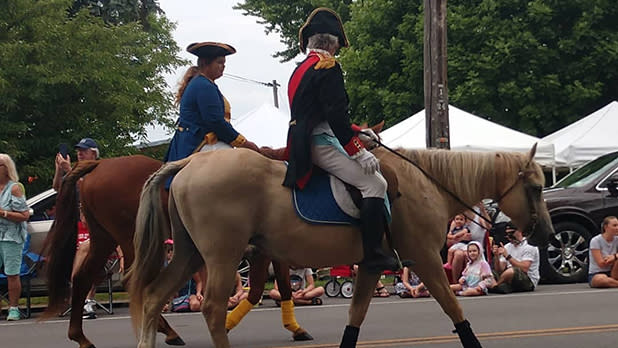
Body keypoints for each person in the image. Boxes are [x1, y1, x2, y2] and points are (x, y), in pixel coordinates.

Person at [282, 7, 397, 274]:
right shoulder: (329, 66)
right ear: (332, 43)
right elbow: (334, 114)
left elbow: (319, 112)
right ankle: (373, 255)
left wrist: (358, 130)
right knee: (375, 183)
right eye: (338, 46)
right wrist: (358, 150)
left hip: (305, 139)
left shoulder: (302, 68)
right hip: (320, 143)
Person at [163, 42, 259, 188]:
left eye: (224, 63)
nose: (223, 66)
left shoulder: (203, 83)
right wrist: (243, 143)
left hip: (195, 140)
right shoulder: (204, 85)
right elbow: (215, 122)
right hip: (198, 143)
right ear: (206, 63)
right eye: (220, 62)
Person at [0, 154, 30, 321]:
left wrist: (3, 213)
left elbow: (24, 215)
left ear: (6, 169)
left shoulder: (14, 188)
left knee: (12, 273)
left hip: (11, 236)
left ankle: (13, 308)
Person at [489, 224, 540, 294]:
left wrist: (508, 256)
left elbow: (524, 268)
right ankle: (500, 286)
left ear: (520, 231)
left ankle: (495, 286)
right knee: (489, 272)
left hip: (527, 279)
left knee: (512, 271)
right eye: (507, 234)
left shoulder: (529, 246)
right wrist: (496, 256)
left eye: (512, 233)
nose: (509, 236)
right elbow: (499, 270)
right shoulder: (507, 246)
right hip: (510, 277)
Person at [448, 204, 490, 281]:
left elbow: (489, 227)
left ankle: (471, 281)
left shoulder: (478, 218)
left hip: (476, 248)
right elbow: (448, 242)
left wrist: (483, 211)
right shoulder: (457, 220)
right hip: (460, 246)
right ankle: (456, 282)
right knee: (458, 254)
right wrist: (461, 238)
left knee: (467, 253)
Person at [588, 216, 618, 288]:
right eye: (614, 226)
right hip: (597, 273)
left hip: (613, 271)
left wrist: (614, 256)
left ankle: (612, 282)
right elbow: (601, 263)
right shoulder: (596, 241)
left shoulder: (617, 239)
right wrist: (612, 259)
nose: (617, 228)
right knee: (601, 280)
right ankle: (613, 282)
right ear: (606, 227)